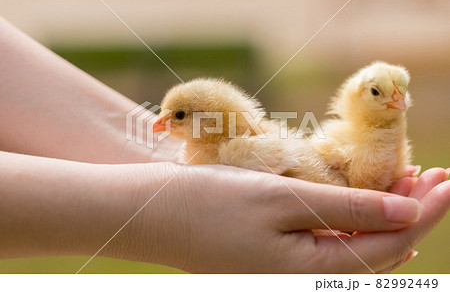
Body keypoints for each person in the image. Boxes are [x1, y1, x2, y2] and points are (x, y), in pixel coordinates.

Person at [0, 17, 449, 273]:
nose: (161, 125)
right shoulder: (231, 146)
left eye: (176, 117)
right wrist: (163, 214)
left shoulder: (237, 151)